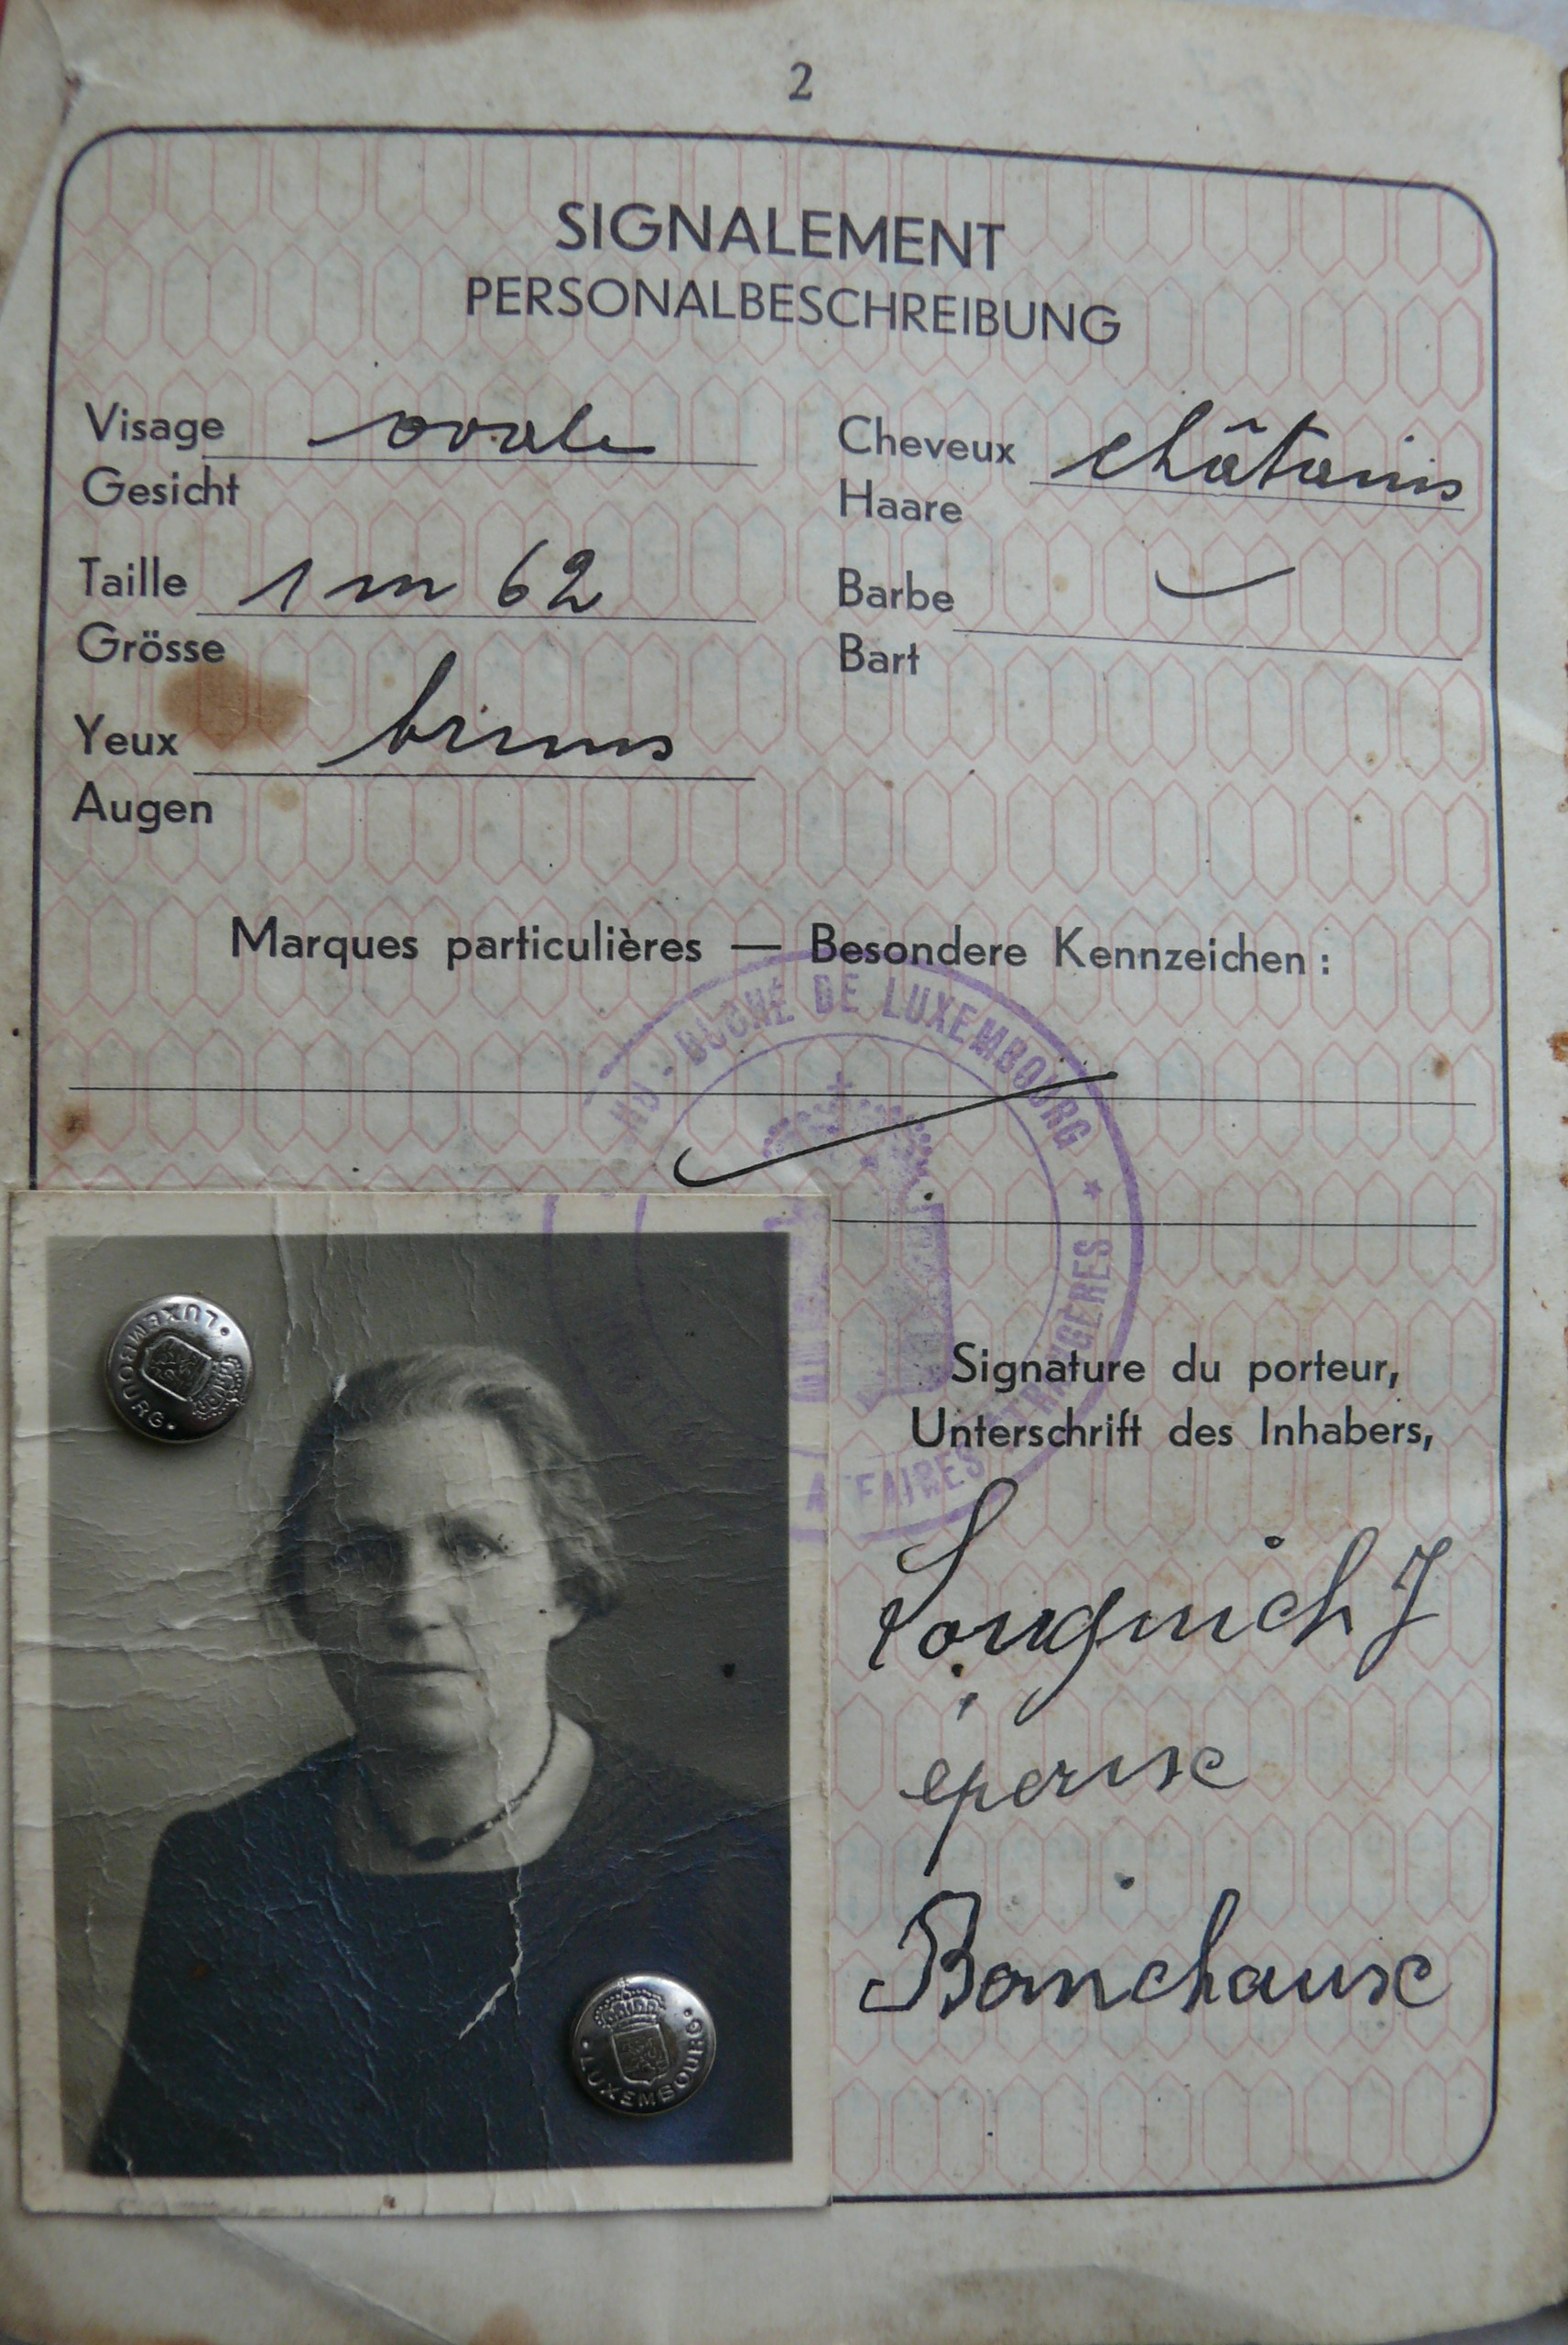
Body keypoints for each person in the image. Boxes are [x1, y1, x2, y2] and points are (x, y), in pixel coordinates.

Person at [91, 1347, 791, 2177]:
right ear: (305, 1600)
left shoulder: (731, 1866)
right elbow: (144, 2218)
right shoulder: (224, 1870)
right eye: (364, 1553)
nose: (414, 1605)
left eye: (471, 1546)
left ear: (566, 1587)